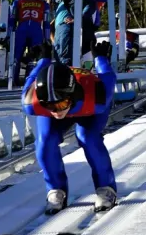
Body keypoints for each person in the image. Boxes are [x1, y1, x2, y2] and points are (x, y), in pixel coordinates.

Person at [22, 38, 117, 214]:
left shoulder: (97, 97)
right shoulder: (31, 102)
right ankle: (55, 189)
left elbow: (108, 78)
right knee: (44, 142)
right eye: (49, 105)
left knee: (88, 137)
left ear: (72, 95)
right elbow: (33, 78)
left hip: (89, 109)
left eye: (61, 103)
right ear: (40, 101)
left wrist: (101, 59)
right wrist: (44, 59)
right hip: (79, 103)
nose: (56, 111)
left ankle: (106, 187)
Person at [8, 0, 51, 86]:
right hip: (21, 30)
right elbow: (12, 20)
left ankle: (31, 81)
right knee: (16, 56)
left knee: (35, 57)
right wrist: (8, 36)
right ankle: (13, 80)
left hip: (36, 31)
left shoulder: (43, 4)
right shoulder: (18, 2)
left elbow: (46, 23)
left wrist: (47, 38)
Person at [50, 0, 76, 64]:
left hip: (65, 25)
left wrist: (75, 19)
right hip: (57, 28)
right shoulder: (58, 2)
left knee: (64, 53)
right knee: (57, 53)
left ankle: (66, 70)